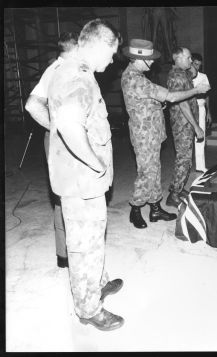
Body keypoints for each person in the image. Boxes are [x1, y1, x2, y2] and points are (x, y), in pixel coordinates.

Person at [46, 18, 125, 331]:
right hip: (81, 181)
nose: (112, 60)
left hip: (80, 180)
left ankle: (97, 284)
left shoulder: (72, 71)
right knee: (83, 245)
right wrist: (95, 162)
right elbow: (67, 125)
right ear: (100, 45)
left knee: (92, 239)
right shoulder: (77, 77)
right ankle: (89, 309)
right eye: (112, 53)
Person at [121, 39, 210, 229]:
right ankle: (135, 209)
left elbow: (148, 100)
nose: (153, 62)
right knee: (146, 172)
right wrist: (196, 90)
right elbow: (170, 96)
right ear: (139, 58)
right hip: (144, 134)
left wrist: (155, 104)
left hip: (151, 132)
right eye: (150, 59)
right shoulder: (134, 79)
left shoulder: (138, 76)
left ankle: (155, 207)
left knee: (155, 170)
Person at [25, 32, 78, 269]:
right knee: (67, 194)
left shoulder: (61, 67)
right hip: (62, 140)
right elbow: (32, 105)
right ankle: (68, 252)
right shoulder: (58, 69)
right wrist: (57, 128)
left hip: (63, 138)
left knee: (65, 193)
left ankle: (65, 253)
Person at [165, 47, 205, 208]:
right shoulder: (176, 76)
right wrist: (196, 127)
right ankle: (173, 195)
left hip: (186, 124)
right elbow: (182, 104)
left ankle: (179, 188)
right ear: (178, 58)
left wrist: (190, 65)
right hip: (183, 124)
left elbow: (194, 73)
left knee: (186, 159)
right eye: (188, 58)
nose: (191, 61)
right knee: (183, 159)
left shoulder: (183, 73)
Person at [190, 52, 212, 172]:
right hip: (188, 109)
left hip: (201, 108)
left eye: (199, 65)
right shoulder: (185, 76)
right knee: (188, 138)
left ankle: (200, 165)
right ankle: (186, 165)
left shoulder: (203, 77)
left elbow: (207, 95)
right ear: (190, 63)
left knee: (200, 137)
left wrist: (208, 112)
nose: (197, 67)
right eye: (195, 64)